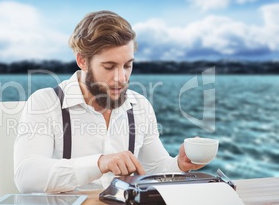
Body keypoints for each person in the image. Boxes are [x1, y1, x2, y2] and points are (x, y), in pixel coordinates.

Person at [14, 10, 203, 193]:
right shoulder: (45, 103)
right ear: (82, 61)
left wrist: (180, 163)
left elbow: (154, 169)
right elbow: (27, 177)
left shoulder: (140, 106)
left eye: (127, 65)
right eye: (109, 66)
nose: (121, 78)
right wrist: (99, 163)